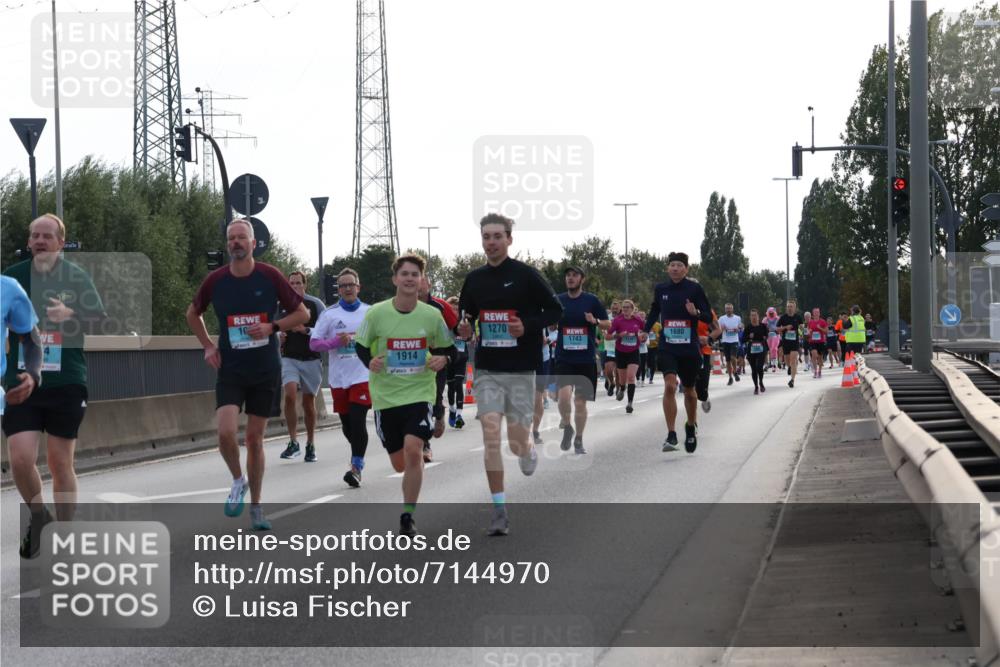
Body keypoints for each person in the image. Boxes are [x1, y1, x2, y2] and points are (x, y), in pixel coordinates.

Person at [187, 218, 309, 531]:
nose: (236, 243)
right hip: (230, 368)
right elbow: (192, 313)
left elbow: (302, 313)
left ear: (253, 244)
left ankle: (256, 507)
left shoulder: (269, 276)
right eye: (232, 238)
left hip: (265, 369)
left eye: (242, 238)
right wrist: (207, 347)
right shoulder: (216, 280)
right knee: (225, 432)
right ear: (228, 244)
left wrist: (273, 327)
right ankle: (238, 480)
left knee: (254, 439)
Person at [4, 214, 106, 558]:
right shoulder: (13, 278)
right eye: (35, 235)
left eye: (47, 236)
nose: (40, 241)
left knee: (60, 462)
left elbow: (100, 320)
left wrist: (72, 314)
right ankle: (38, 516)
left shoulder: (75, 277)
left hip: (66, 380)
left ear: (61, 242)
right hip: (22, 380)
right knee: (19, 458)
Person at [457, 213, 563, 536]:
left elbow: (556, 310)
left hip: (520, 369)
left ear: (509, 239)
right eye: (486, 237)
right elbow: (466, 319)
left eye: (497, 236)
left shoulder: (527, 276)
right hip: (487, 369)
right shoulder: (474, 280)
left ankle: (528, 448)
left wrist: (526, 326)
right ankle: (499, 509)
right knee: (491, 435)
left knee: (516, 442)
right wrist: (462, 328)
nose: (491, 242)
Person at [354, 254, 454, 536]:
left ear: (421, 280)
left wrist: (442, 360)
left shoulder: (432, 316)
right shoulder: (376, 313)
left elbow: (451, 350)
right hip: (386, 397)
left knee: (413, 451)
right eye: (405, 274)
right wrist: (369, 362)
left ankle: (408, 516)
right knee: (401, 463)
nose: (410, 278)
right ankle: (412, 476)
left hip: (419, 393)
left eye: (415, 274)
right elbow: (361, 346)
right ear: (395, 279)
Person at [644, 252, 713, 453]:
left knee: (690, 391)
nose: (675, 268)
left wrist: (696, 314)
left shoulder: (694, 289)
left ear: (686, 269)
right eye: (672, 265)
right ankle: (671, 434)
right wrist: (644, 330)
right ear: (668, 268)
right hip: (667, 347)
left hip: (689, 348)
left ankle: (690, 426)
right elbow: (654, 311)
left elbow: (708, 316)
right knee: (669, 386)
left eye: (679, 265)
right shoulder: (661, 289)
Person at [310, 268, 371, 488]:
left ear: (358, 287)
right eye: (343, 286)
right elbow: (314, 343)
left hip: (363, 375)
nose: (347, 289)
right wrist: (335, 343)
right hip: (338, 378)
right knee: (347, 425)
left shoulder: (370, 312)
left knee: (357, 419)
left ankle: (356, 467)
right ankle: (358, 450)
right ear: (339, 290)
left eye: (350, 285)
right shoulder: (329, 315)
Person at [2, 275, 43, 558]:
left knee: (20, 460)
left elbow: (31, 337)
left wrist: (32, 373)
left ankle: (39, 517)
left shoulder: (8, 289)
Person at [553, 266, 609, 454]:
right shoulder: (558, 300)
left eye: (574, 275)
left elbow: (607, 323)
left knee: (580, 403)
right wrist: (553, 321)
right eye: (567, 275)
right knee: (563, 397)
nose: (570, 278)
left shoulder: (591, 300)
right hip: (564, 357)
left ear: (582, 279)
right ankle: (568, 427)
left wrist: (594, 321)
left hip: (585, 358)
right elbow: (551, 324)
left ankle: (579, 439)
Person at [277, 270, 327, 462]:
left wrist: (306, 330)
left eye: (298, 283)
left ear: (305, 285)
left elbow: (326, 330)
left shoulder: (315, 304)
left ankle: (310, 444)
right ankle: (293, 442)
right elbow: (272, 327)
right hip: (289, 358)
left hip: (312, 359)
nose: (295, 286)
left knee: (308, 403)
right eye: (291, 283)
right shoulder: (281, 305)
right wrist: (278, 337)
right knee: (289, 395)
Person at [418, 276, 460, 463]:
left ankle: (439, 412)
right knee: (418, 405)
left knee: (432, 398)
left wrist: (464, 331)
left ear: (428, 284)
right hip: (413, 364)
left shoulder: (441, 306)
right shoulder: (399, 307)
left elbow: (458, 330)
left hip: (436, 361)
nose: (417, 285)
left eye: (421, 281)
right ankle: (424, 444)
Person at [609, 299, 645, 414]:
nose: (625, 309)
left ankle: (630, 403)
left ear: (632, 309)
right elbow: (608, 336)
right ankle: (622, 388)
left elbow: (645, 332)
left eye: (627, 307)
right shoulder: (617, 320)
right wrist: (619, 335)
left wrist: (642, 336)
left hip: (634, 352)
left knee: (631, 377)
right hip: (620, 352)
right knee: (622, 379)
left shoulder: (638, 320)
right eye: (623, 307)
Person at [445, 296, 469, 429]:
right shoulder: (444, 322)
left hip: (461, 357)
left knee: (459, 384)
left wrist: (467, 335)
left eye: (457, 309)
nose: (454, 311)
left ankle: (459, 415)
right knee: (451, 387)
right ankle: (452, 409)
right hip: (449, 359)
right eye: (452, 308)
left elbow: (470, 336)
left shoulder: (463, 321)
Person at [695, 308, 721, 412]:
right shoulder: (678, 306)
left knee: (702, 386)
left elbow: (717, 330)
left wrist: (708, 338)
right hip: (685, 350)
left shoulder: (706, 310)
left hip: (703, 350)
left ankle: (704, 397)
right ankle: (691, 421)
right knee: (689, 386)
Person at [776, 300, 803, 388]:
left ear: (794, 308)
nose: (789, 308)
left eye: (791, 306)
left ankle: (792, 380)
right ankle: (789, 367)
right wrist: (785, 327)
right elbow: (777, 329)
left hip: (795, 342)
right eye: (788, 306)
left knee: (793, 361)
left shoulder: (798, 317)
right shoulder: (783, 318)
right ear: (786, 308)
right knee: (788, 362)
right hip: (786, 342)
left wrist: (802, 328)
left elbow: (802, 328)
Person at [745, 309, 770, 395]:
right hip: (751, 350)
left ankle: (761, 382)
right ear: (750, 317)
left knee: (759, 367)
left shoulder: (763, 326)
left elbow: (767, 335)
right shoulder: (748, 327)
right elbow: (743, 339)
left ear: (758, 316)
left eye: (755, 315)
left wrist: (764, 337)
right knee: (754, 369)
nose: (754, 317)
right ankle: (756, 386)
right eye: (752, 315)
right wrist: (749, 337)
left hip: (761, 349)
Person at [718, 303, 742, 385]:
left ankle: (735, 371)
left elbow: (740, 327)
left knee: (733, 357)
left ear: (732, 309)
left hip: (734, 340)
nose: (728, 310)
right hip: (725, 341)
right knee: (728, 360)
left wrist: (737, 329)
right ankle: (730, 377)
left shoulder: (737, 318)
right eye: (727, 308)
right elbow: (718, 329)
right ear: (725, 309)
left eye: (730, 308)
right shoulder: (721, 318)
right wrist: (722, 328)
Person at [601, 300, 621, 396]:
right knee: (608, 370)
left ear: (619, 309)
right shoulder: (606, 318)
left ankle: (617, 388)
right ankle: (611, 383)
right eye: (613, 308)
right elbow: (602, 328)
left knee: (618, 372)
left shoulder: (622, 318)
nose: (614, 310)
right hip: (609, 348)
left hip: (621, 348)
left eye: (616, 308)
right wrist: (604, 332)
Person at [807, 307, 828, 379]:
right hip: (812, 341)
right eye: (815, 312)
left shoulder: (823, 321)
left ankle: (820, 371)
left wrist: (820, 328)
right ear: (813, 313)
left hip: (820, 342)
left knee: (820, 357)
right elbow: (808, 332)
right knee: (814, 355)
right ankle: (815, 371)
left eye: (817, 312)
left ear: (819, 313)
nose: (816, 313)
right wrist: (809, 332)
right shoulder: (810, 322)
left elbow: (826, 331)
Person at [646, 319, 661, 383]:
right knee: (648, 361)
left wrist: (658, 336)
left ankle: (651, 378)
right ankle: (647, 369)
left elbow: (662, 334)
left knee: (653, 361)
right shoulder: (645, 324)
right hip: (646, 346)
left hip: (655, 346)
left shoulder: (658, 325)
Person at [637, 310, 649, 386]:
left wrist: (644, 340)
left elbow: (647, 338)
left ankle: (643, 380)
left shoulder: (646, 325)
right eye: (640, 316)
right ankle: (637, 379)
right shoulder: (635, 325)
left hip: (643, 349)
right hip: (635, 349)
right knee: (637, 365)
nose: (641, 317)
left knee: (643, 365)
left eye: (642, 316)